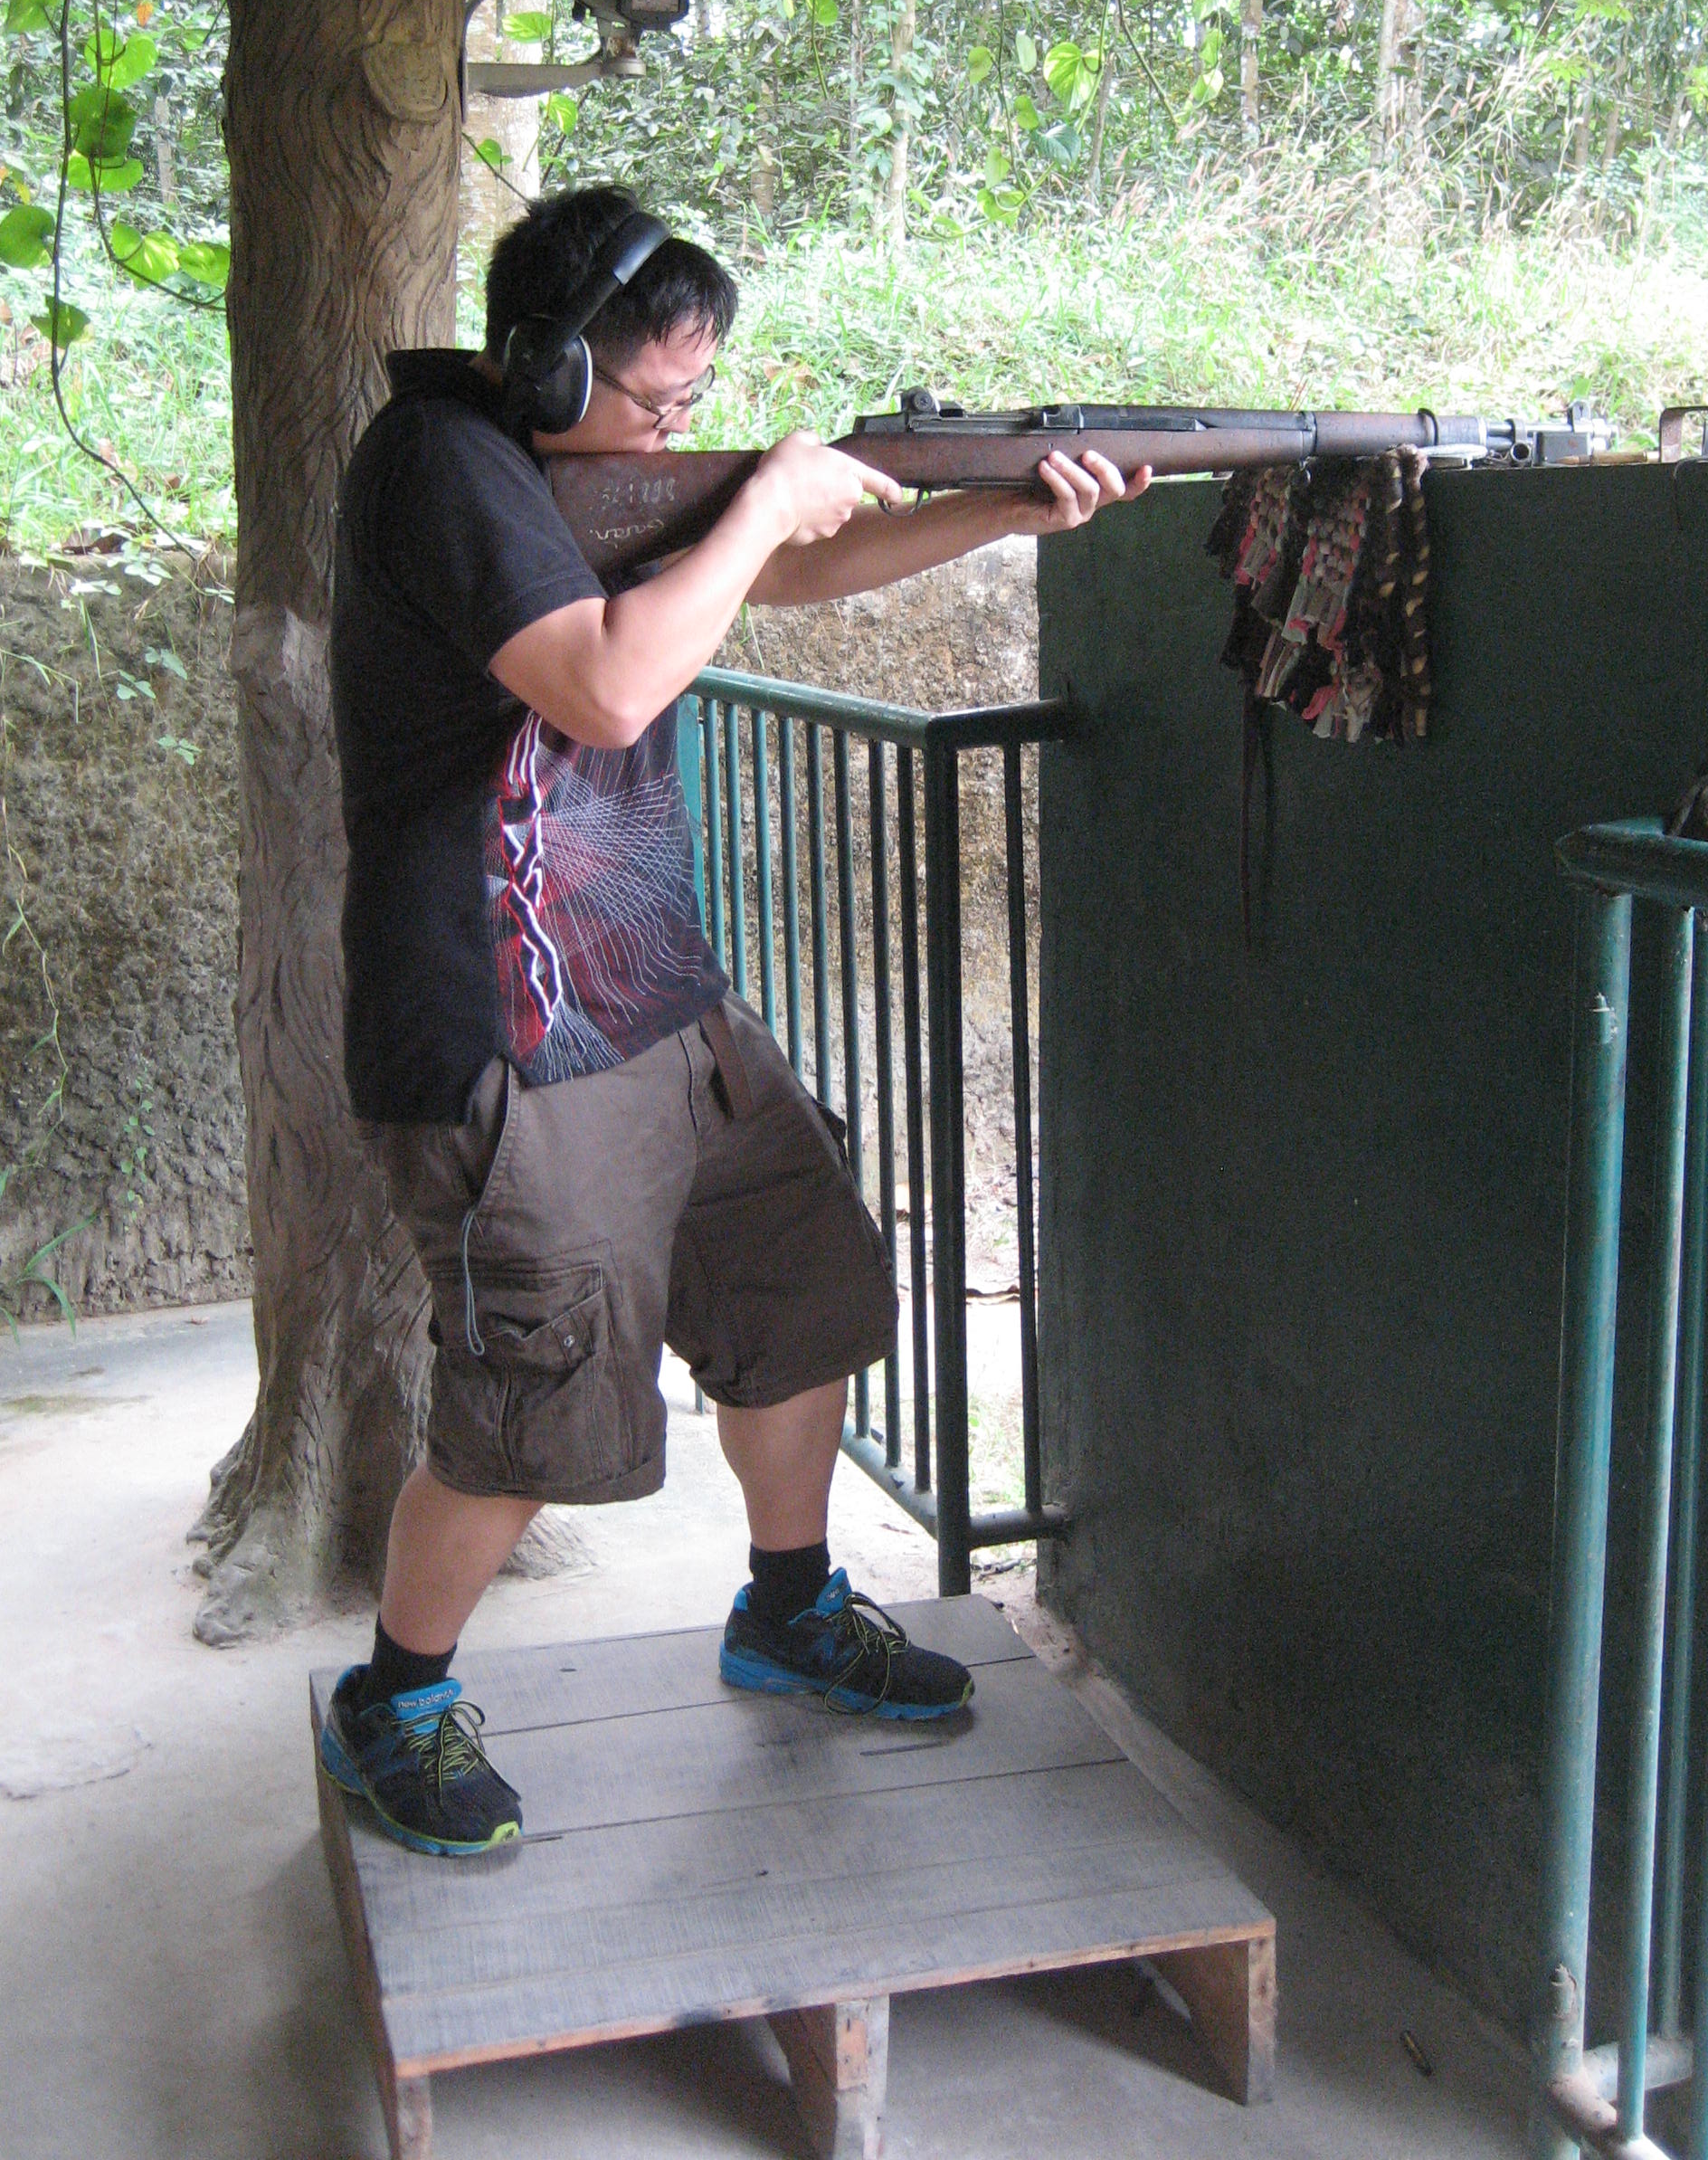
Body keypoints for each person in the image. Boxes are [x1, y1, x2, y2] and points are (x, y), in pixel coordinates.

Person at [318, 185, 1147, 1855]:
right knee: (534, 1394)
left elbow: (787, 577)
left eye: (696, 401)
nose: (676, 428)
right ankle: (393, 1698)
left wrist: (1004, 508)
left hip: (655, 993)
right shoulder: (444, 465)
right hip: (499, 1025)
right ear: (548, 369)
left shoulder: (567, 471)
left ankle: (788, 1605)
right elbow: (610, 680)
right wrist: (766, 491)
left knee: (801, 1279)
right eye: (656, 401)